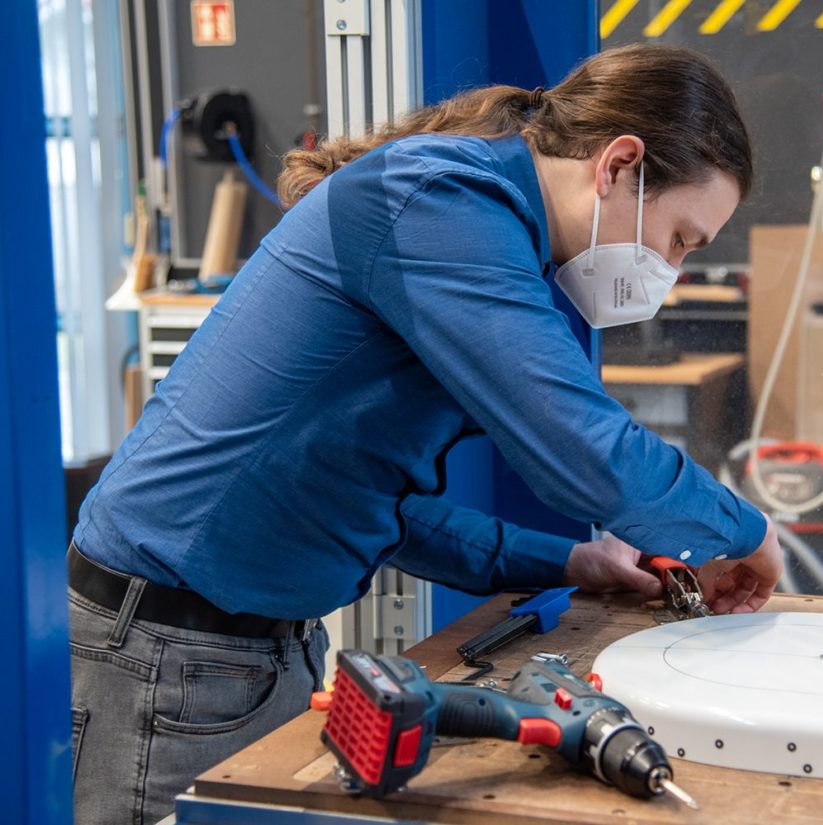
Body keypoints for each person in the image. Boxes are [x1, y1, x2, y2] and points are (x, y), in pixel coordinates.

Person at [67, 43, 783, 825]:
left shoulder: (477, 220)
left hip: (242, 652)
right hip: (168, 652)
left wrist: (572, 559)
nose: (671, 270)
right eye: (680, 237)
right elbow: (585, 450)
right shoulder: (444, 201)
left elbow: (366, 505)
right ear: (618, 165)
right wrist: (745, 529)